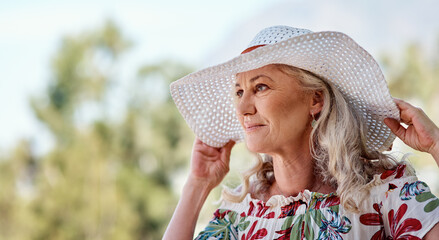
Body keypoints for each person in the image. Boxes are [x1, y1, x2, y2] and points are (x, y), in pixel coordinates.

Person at [163, 26, 439, 239]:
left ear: (315, 100)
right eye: (239, 91)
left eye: (260, 87)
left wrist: (436, 146)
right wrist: (197, 185)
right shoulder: (241, 210)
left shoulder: (385, 191)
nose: (244, 107)